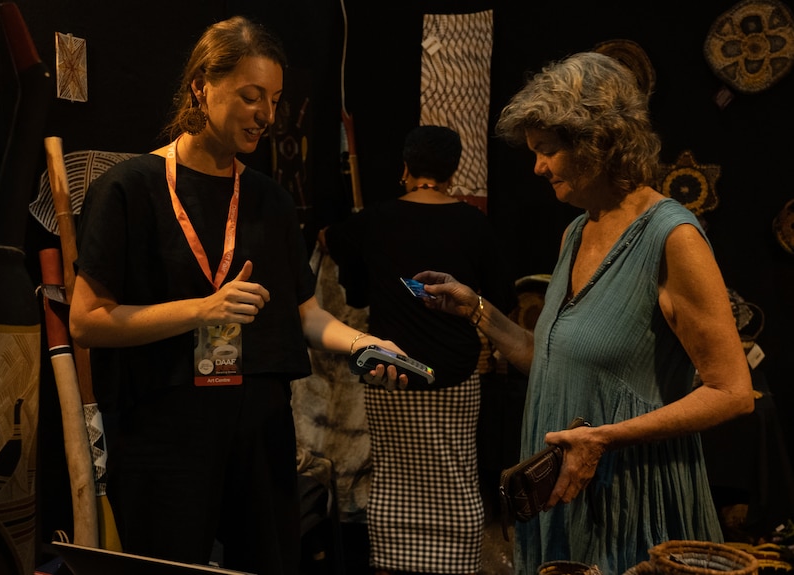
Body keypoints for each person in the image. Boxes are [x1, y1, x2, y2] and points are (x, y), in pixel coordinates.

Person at [68, 15, 404, 575]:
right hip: (164, 434)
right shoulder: (130, 188)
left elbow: (306, 312)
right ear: (201, 86)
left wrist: (363, 343)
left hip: (259, 431)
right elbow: (86, 321)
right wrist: (202, 310)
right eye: (251, 97)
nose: (267, 116)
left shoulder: (270, 200)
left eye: (273, 99)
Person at [414, 52, 755, 575]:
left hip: (633, 495)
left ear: (600, 143)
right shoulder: (577, 232)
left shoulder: (673, 237)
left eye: (547, 151)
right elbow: (550, 359)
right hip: (568, 491)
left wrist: (604, 438)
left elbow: (732, 393)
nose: (537, 167)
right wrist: (477, 309)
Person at [320, 124, 517, 575]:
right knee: (456, 473)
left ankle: (392, 562)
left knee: (392, 476)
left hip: (391, 374)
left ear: (405, 167)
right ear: (454, 170)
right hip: (457, 375)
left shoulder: (376, 217)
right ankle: (458, 562)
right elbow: (502, 299)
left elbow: (333, 244)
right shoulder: (474, 223)